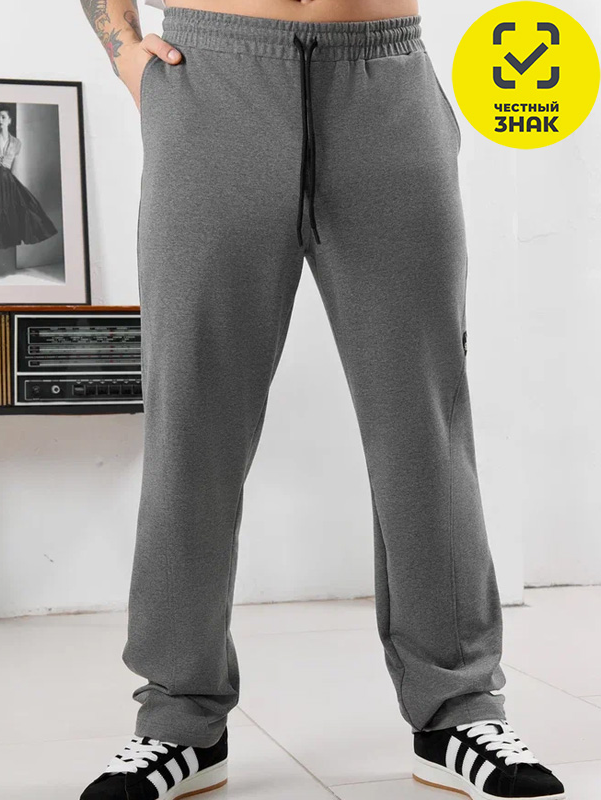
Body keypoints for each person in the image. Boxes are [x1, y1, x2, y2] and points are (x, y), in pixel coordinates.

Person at [79, 2, 566, 799]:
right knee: (192, 423)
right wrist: (122, 48)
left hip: (384, 81)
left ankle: (456, 712)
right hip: (210, 82)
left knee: (423, 420)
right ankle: (178, 721)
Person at [0, 104, 58, 279]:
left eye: (3, 117)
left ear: (9, 121)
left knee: (4, 222)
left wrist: (16, 190)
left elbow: (14, 169)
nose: (0, 120)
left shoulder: (16, 143)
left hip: (7, 184)